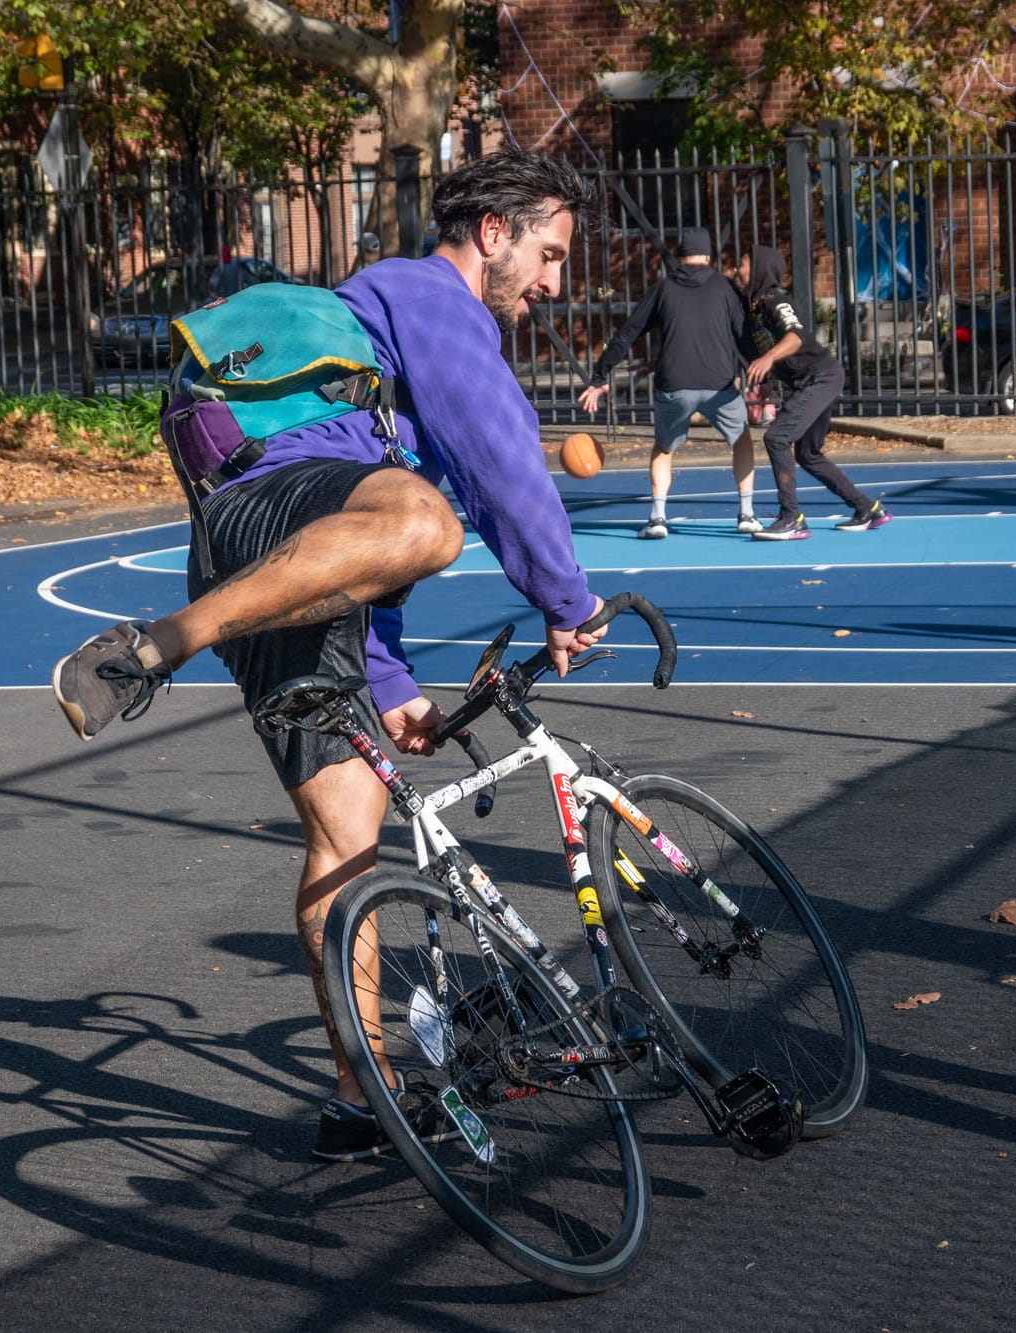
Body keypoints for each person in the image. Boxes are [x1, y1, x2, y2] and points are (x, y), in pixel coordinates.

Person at [50, 148, 611, 1162]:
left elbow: (344, 557)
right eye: (549, 253)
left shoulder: (368, 360)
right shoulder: (425, 299)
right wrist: (567, 605)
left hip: (249, 553)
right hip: (276, 506)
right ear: (492, 233)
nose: (554, 282)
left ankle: (365, 1094)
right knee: (429, 522)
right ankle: (164, 643)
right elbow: (497, 462)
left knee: (346, 835)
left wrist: (388, 686)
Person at [576, 225, 760, 537]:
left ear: (679, 257)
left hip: (674, 384)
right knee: (741, 441)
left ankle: (658, 517)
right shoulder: (726, 288)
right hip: (719, 384)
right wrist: (762, 367)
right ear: (708, 255)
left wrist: (599, 376)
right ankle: (746, 513)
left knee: (663, 448)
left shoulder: (664, 288)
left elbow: (627, 334)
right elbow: (744, 338)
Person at [738, 244, 889, 540]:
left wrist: (768, 358)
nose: (736, 270)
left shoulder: (774, 300)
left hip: (820, 377)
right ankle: (867, 509)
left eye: (742, 264)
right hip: (816, 379)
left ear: (757, 270)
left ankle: (791, 518)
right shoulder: (753, 305)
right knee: (807, 454)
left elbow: (795, 336)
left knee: (777, 437)